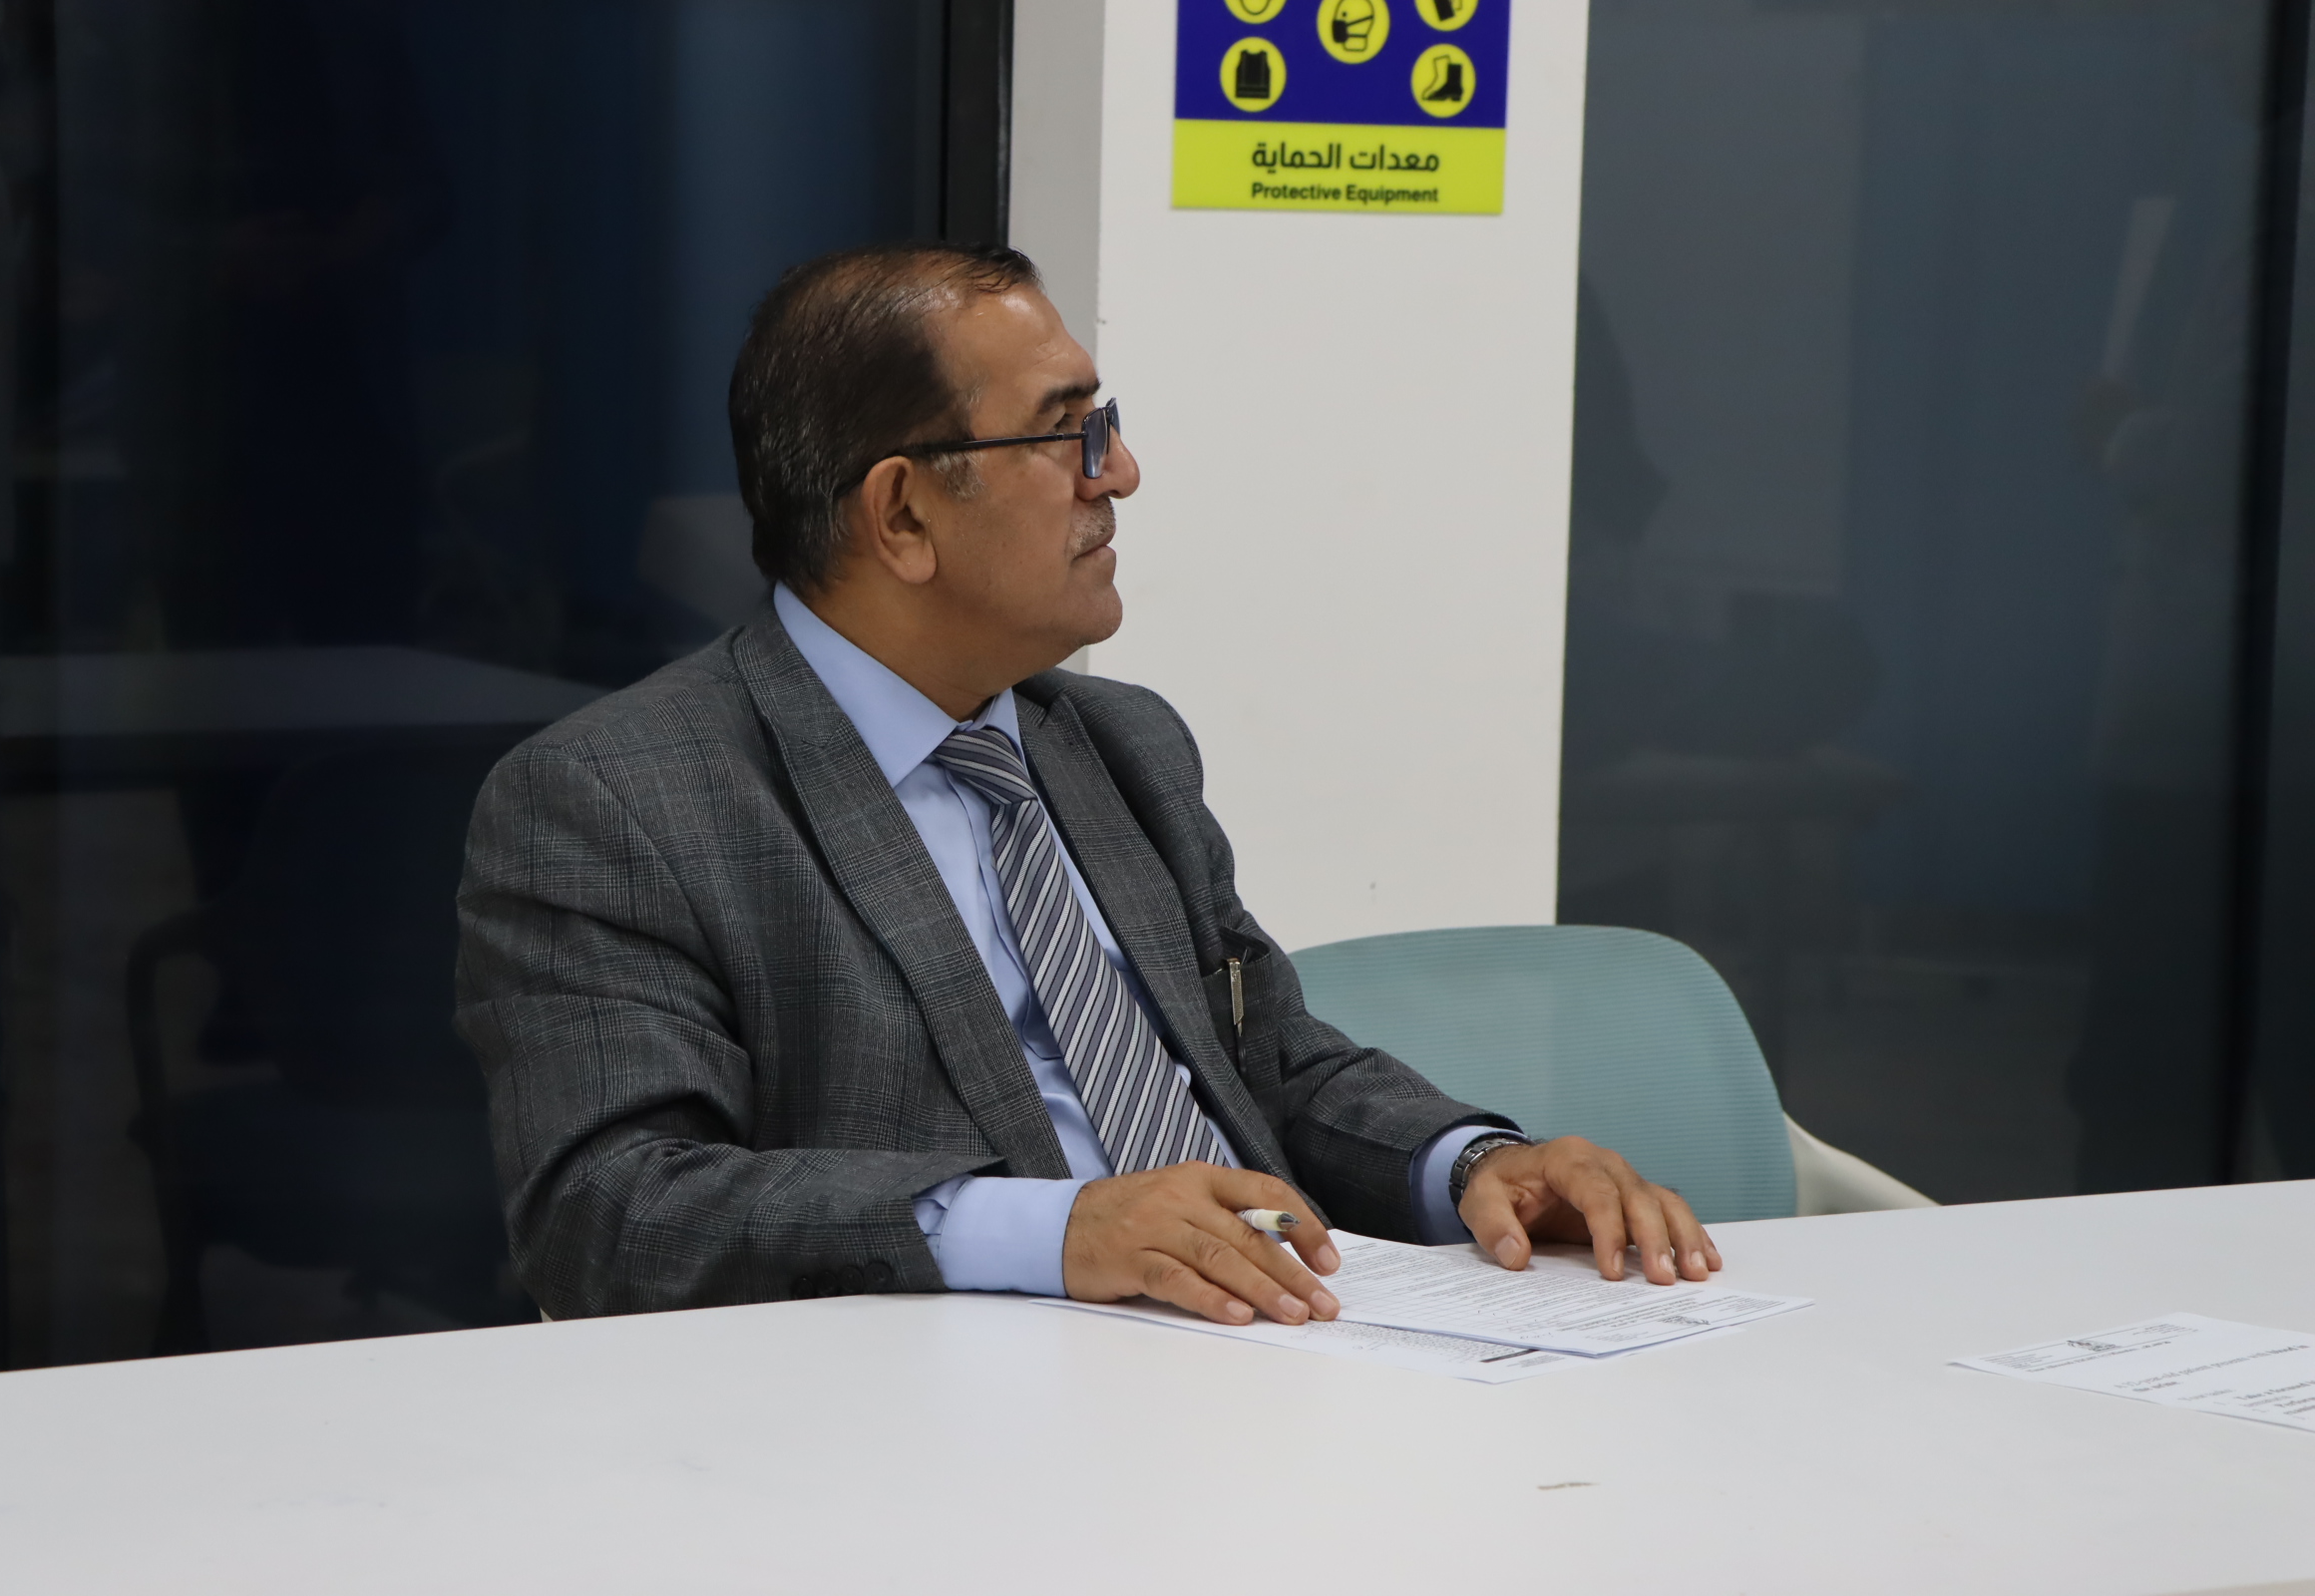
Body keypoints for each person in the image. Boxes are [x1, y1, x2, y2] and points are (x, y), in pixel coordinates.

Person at [455, 241, 1721, 1327]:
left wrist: (1473, 1164)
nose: (1118, 473)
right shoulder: (619, 800)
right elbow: (610, 1209)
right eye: (1068, 431)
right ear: (903, 516)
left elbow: (1270, 1062)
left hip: (1280, 1358)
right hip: (937, 1423)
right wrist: (1049, 1230)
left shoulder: (1117, 745)